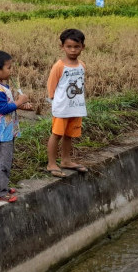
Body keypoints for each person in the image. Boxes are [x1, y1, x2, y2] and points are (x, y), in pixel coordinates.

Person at [0, 50, 33, 203]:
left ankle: (0, 186)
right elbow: (3, 109)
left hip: (5, 131)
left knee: (3, 161)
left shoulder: (2, 85)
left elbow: (7, 105)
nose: (11, 71)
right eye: (9, 68)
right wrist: (19, 101)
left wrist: (21, 106)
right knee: (0, 162)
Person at [46, 28, 89, 177]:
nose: (72, 50)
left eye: (76, 47)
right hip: (62, 108)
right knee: (56, 134)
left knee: (69, 135)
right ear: (62, 47)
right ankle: (51, 163)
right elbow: (51, 86)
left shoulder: (82, 65)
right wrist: (55, 102)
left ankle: (66, 160)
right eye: (69, 47)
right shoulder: (59, 66)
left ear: (83, 47)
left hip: (76, 107)